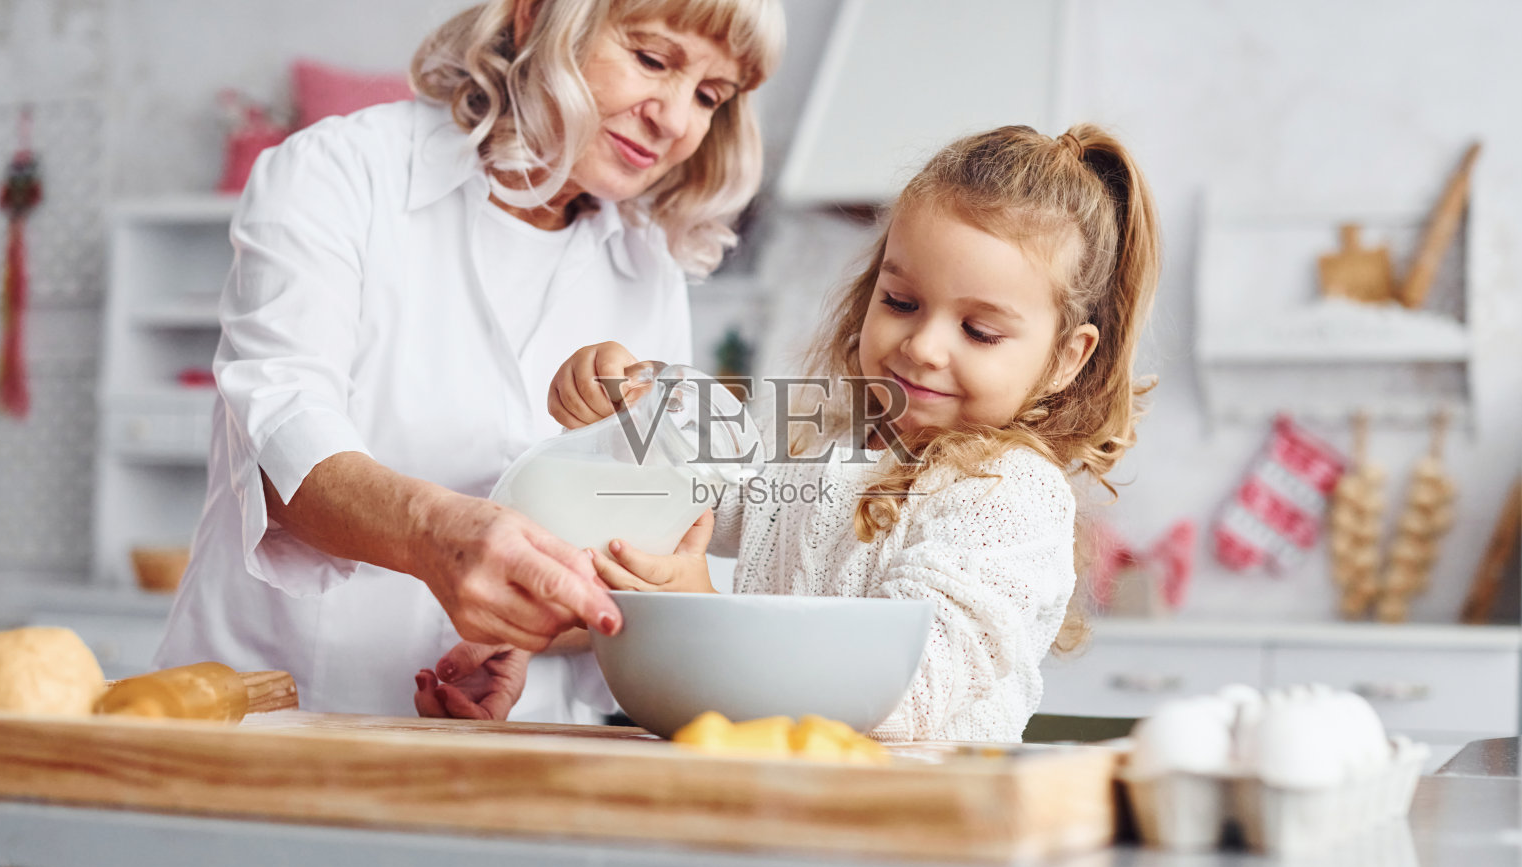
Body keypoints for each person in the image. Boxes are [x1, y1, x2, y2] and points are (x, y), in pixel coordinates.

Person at [151, 0, 784, 721]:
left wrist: (535, 635)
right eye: (651, 59)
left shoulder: (650, 263)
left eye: (709, 96)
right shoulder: (337, 173)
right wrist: (433, 534)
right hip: (273, 718)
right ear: (534, 18)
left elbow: (632, 537)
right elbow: (282, 443)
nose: (673, 120)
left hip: (518, 744)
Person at [568, 124, 1162, 742]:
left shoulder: (1008, 496)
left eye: (980, 331)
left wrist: (705, 619)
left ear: (1067, 357)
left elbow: (899, 696)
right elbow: (711, 488)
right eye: (901, 302)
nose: (924, 347)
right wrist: (644, 402)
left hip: (913, 823)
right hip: (793, 805)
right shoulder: (831, 448)